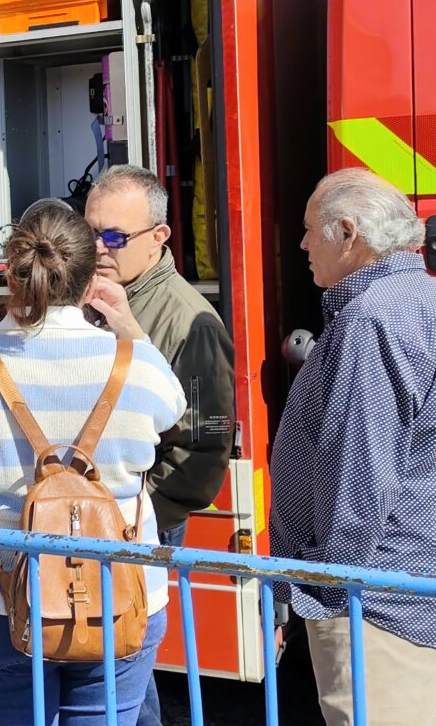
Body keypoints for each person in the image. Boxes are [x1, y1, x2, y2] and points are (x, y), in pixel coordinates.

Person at [0, 202, 185, 726]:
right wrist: (127, 327)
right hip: (122, 593)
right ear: (88, 280)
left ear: (10, 273)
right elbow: (174, 402)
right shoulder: (137, 365)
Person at [269, 169, 435, 726]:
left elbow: (358, 482)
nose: (301, 244)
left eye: (310, 229)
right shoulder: (423, 298)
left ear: (347, 231)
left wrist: (324, 590)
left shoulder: (370, 320)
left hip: (376, 609)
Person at [83, 167, 235, 725]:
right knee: (115, 663)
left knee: (125, 657)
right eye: (91, 231)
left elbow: (207, 443)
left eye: (114, 237)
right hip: (97, 516)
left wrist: (145, 514)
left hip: (138, 520)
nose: (99, 247)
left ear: (160, 236)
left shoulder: (190, 320)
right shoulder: (95, 296)